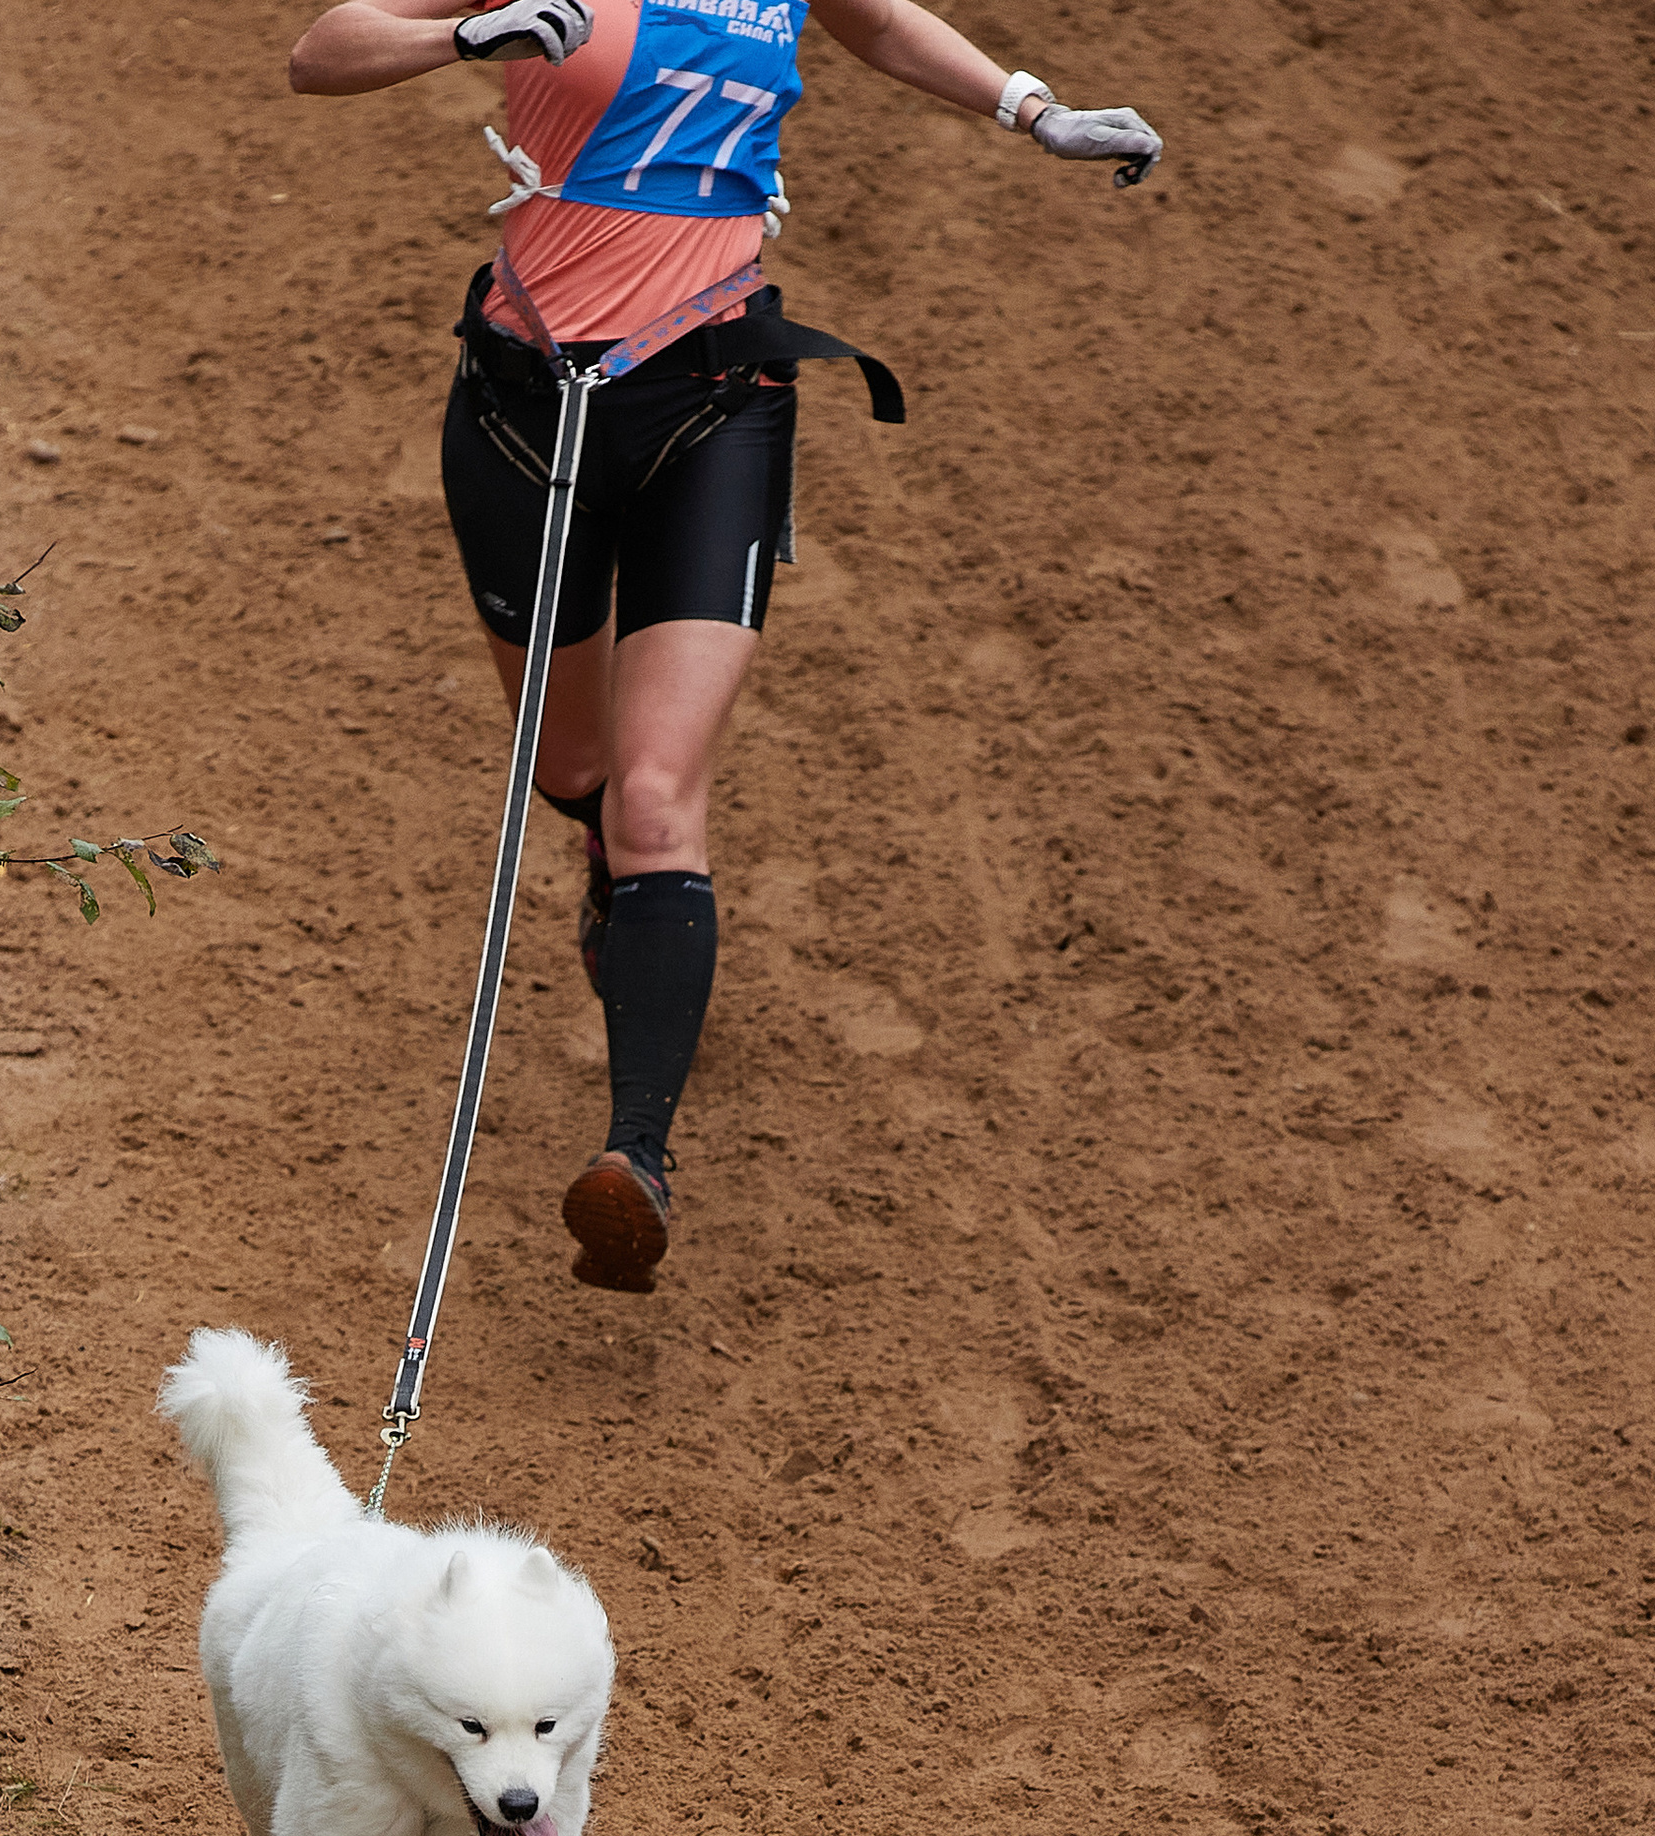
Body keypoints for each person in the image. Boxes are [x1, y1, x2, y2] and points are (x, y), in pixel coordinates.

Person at [289, 0, 1161, 1292]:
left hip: (719, 403)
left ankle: (635, 1160)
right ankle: (603, 860)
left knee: (657, 795)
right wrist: (469, 42)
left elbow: (881, 23)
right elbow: (323, 53)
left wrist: (1033, 109)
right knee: (571, 759)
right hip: (527, 410)